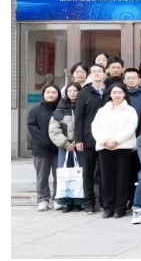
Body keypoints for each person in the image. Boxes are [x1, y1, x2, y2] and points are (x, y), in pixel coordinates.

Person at [91, 83, 139, 219]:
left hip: (123, 148)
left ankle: (120, 208)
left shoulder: (130, 110)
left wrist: (116, 141)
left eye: (120, 92)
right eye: (114, 92)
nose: (117, 95)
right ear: (110, 94)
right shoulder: (102, 111)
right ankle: (108, 208)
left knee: (122, 179)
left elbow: (131, 128)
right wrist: (104, 141)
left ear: (124, 94)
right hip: (105, 148)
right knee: (106, 179)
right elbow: (95, 127)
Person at [73, 63, 110, 214]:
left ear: (104, 73)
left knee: (104, 172)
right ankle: (89, 202)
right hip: (88, 138)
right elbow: (79, 117)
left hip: (107, 138)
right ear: (90, 75)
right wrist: (78, 139)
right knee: (88, 172)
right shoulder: (84, 92)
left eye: (99, 71)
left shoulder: (110, 91)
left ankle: (104, 201)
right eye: (93, 71)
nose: (97, 73)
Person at [48, 83, 81, 212]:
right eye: (69, 91)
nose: (72, 93)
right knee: (65, 174)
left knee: (80, 173)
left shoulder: (84, 106)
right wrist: (66, 143)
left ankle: (79, 202)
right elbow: (54, 129)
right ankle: (66, 203)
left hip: (80, 146)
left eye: (75, 90)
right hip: (64, 146)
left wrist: (78, 141)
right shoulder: (60, 108)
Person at [28, 85, 60, 211]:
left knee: (59, 175)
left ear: (58, 94)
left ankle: (58, 198)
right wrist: (46, 141)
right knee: (42, 176)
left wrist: (58, 142)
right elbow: (32, 128)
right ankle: (43, 199)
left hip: (59, 149)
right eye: (48, 92)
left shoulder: (61, 109)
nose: (51, 94)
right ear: (43, 94)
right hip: (41, 149)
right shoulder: (35, 110)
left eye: (54, 92)